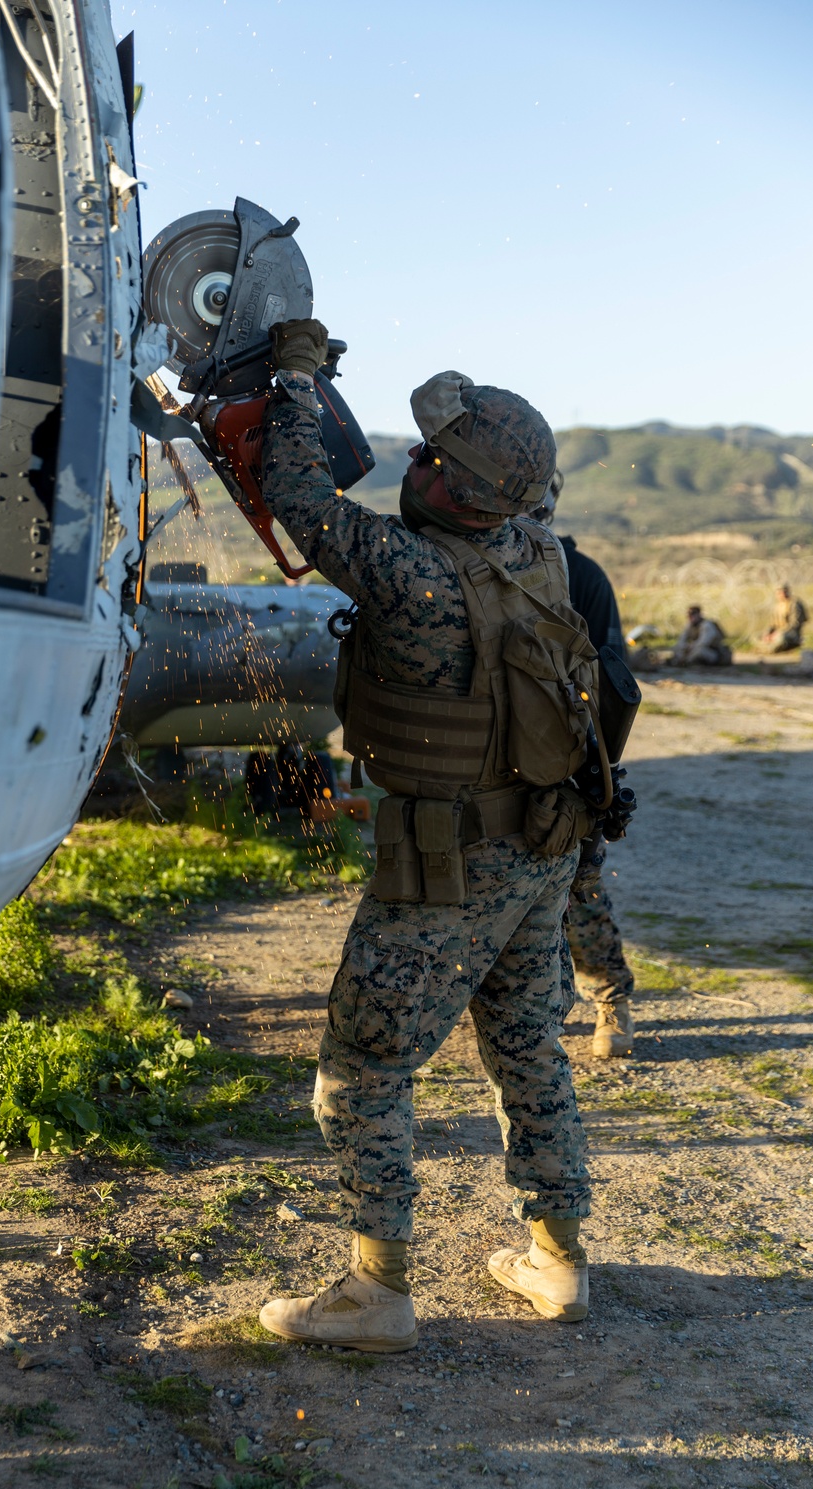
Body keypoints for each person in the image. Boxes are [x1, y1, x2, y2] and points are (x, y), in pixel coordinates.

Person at [254, 321, 595, 1352]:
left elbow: (298, 493)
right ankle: (558, 1259)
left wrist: (293, 380)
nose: (414, 460)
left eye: (435, 456)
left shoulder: (407, 574)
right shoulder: (539, 553)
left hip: (446, 863)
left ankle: (377, 1294)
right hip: (540, 847)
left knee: (362, 1068)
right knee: (528, 1043)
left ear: (466, 491)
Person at [533, 476, 635, 1058]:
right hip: (489, 762)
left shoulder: (581, 575)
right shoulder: (470, 564)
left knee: (581, 891)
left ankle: (610, 999)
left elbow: (612, 679)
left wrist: (596, 772)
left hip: (564, 762)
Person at [762, 584, 808, 653]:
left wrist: (778, 633)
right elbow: (772, 624)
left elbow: (794, 624)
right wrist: (768, 633)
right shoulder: (777, 606)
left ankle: (771, 649)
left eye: (784, 591)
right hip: (778, 632)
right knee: (758, 637)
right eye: (779, 592)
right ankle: (769, 647)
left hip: (791, 633)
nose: (782, 594)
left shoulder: (794, 604)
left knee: (780, 638)